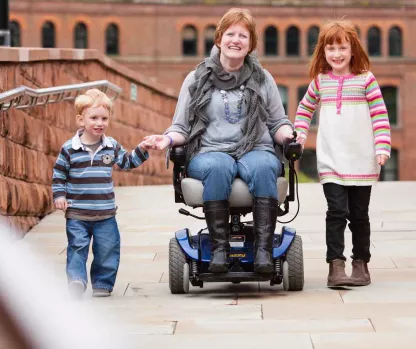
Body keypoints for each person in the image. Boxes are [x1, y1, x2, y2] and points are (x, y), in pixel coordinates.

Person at [144, 8, 294, 274]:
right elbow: (182, 127)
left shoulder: (263, 78)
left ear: (251, 44)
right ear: (219, 39)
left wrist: (289, 135)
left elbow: (277, 122)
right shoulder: (196, 78)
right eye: (230, 34)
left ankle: (263, 250)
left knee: (262, 166)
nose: (236, 40)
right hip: (209, 151)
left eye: (243, 36)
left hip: (255, 148)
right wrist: (166, 139)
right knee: (220, 166)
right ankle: (219, 249)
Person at [293, 20, 391, 287]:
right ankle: (335, 266)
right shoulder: (320, 82)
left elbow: (380, 115)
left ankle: (361, 264)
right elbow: (304, 110)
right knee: (336, 212)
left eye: (342, 48)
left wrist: (382, 146)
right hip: (331, 160)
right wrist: (299, 135)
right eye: (331, 48)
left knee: (359, 215)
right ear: (323, 52)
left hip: (362, 160)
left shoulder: (366, 80)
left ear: (352, 49)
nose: (336, 54)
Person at [52, 89, 152, 298]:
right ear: (81, 119)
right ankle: (77, 281)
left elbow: (127, 162)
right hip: (77, 213)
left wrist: (142, 148)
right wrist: (59, 196)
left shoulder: (111, 146)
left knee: (107, 249)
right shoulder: (69, 148)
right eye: (94, 118)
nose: (100, 123)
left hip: (106, 214)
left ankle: (102, 283)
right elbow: (59, 173)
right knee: (77, 248)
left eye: (104, 118)